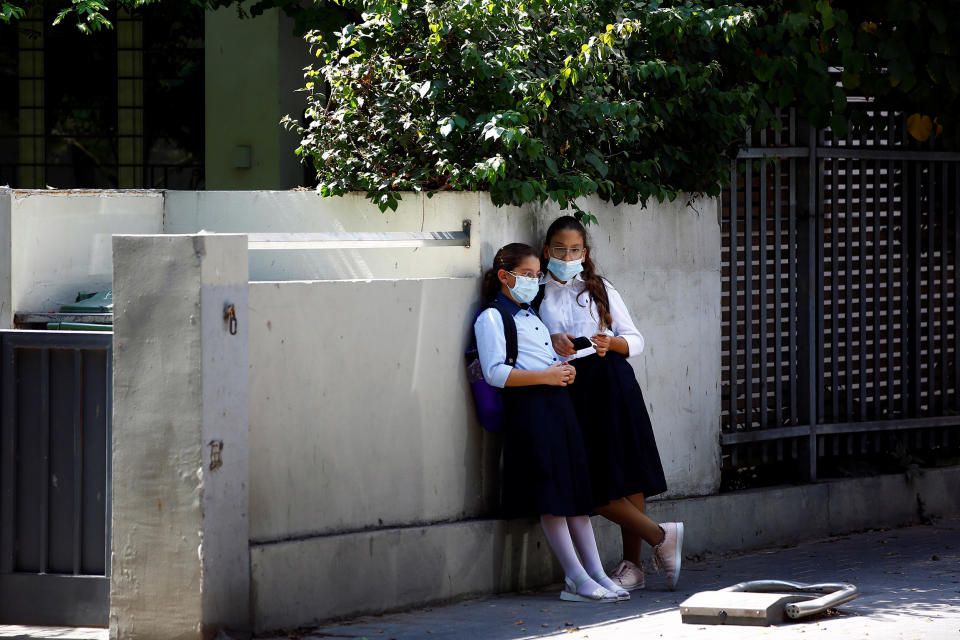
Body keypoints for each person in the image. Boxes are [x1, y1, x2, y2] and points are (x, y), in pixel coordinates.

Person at [474, 243, 629, 603]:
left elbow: (541, 361)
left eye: (535, 275)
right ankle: (575, 578)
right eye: (526, 275)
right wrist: (545, 377)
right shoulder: (493, 318)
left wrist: (562, 370)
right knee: (552, 495)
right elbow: (496, 373)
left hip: (557, 408)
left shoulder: (531, 315)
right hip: (529, 412)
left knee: (574, 493)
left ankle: (597, 574)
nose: (533, 281)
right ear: (504, 276)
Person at [537, 216, 684, 591]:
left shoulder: (599, 288)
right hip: (568, 389)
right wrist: (552, 341)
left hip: (611, 381)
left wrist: (609, 342)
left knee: (627, 469)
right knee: (590, 481)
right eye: (559, 249)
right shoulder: (534, 291)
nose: (566, 256)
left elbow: (634, 339)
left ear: (584, 253)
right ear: (546, 250)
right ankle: (661, 536)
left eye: (574, 250)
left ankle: (633, 565)